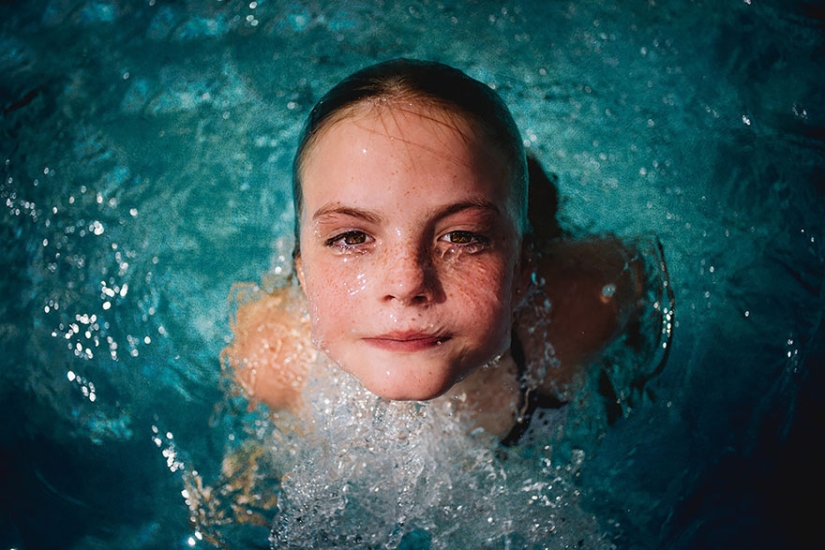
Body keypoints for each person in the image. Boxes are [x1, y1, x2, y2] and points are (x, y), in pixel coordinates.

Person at [221, 58, 671, 442]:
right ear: (302, 274)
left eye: (462, 237)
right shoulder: (271, 363)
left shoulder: (587, 307)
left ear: (521, 270)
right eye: (351, 238)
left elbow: (636, 273)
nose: (406, 283)